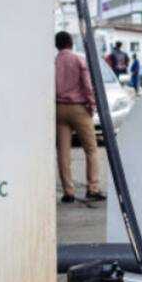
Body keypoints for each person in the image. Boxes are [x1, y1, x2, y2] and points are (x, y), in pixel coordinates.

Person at [54, 31, 105, 204]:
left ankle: (68, 192)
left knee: (63, 152)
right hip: (78, 108)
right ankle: (93, 188)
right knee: (91, 149)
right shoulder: (78, 60)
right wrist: (91, 105)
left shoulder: (53, 62)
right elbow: (87, 84)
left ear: (57, 45)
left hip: (59, 108)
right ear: (70, 43)